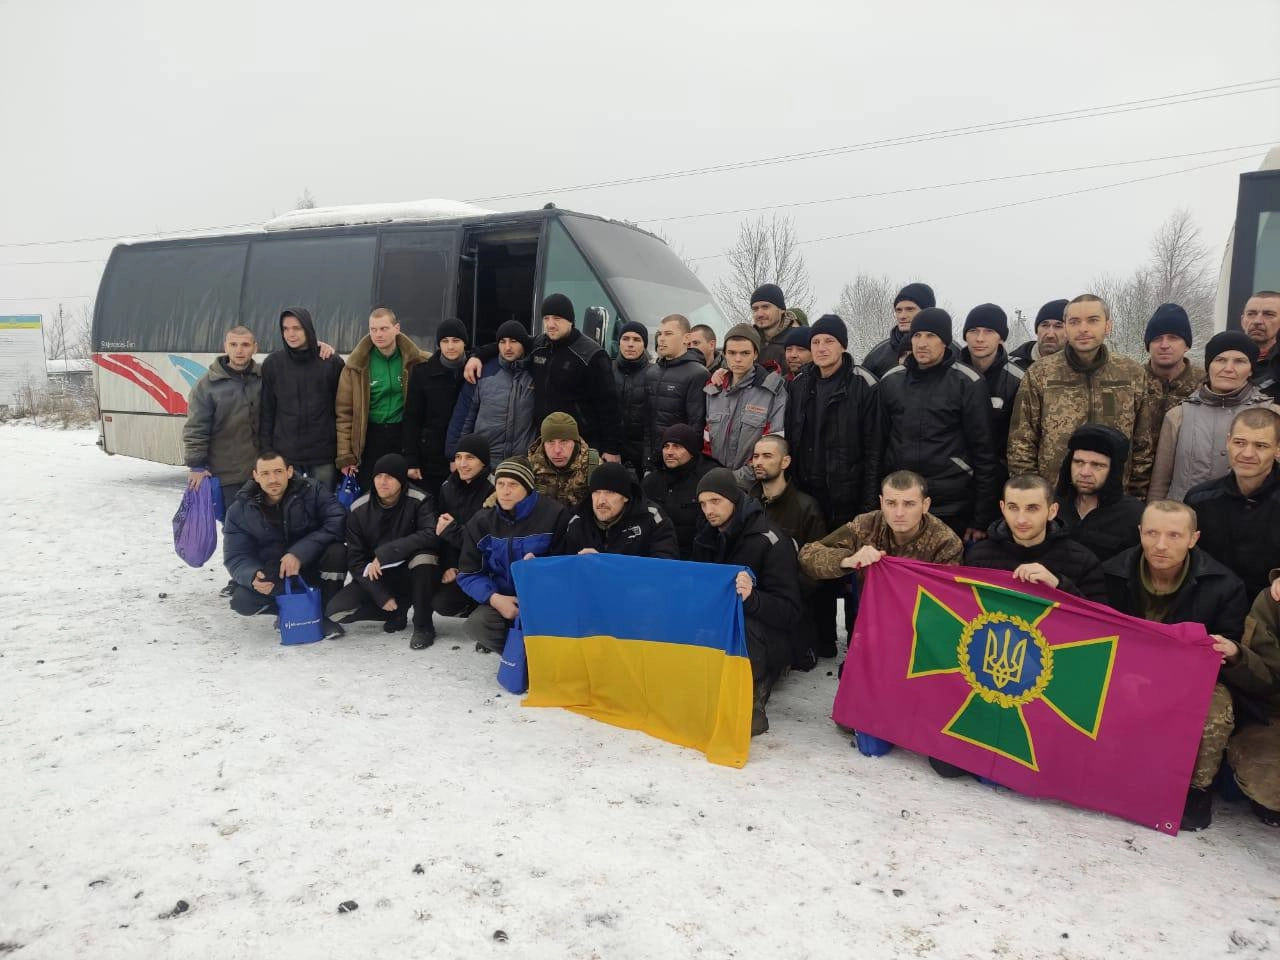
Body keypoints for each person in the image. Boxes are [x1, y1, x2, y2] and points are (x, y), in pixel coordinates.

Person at [1101, 500, 1251, 830]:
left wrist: (1229, 650)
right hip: (1127, 668)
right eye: (1152, 533)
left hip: (1189, 678)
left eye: (1173, 535)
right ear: (1140, 532)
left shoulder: (1225, 585)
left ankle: (1196, 790)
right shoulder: (1112, 572)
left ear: (1193, 539)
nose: (1161, 545)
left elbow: (1229, 649)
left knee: (1217, 704)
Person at [1007, 294, 1155, 498]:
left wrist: (1134, 499)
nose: (1083, 329)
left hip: (1113, 499)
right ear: (1066, 328)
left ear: (1108, 326)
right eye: (1074, 322)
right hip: (1055, 498)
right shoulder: (1041, 373)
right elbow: (1021, 443)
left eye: (1093, 320)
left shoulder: (1130, 373)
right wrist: (1034, 498)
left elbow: (1142, 444)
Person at [691, 468, 802, 737]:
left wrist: (753, 598)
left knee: (745, 623)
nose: (708, 510)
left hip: (769, 635)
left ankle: (754, 697)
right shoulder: (706, 536)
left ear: (734, 499)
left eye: (715, 501)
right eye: (703, 503)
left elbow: (790, 612)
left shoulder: (770, 540)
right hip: (720, 628)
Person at [878, 308, 998, 540]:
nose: (922, 343)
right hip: (901, 502)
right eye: (917, 335)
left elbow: (985, 454)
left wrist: (981, 518)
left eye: (931, 336)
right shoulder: (891, 381)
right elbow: (877, 446)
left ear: (945, 341)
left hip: (952, 503)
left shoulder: (969, 382)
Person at [462, 294, 623, 461]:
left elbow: (609, 407)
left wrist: (612, 449)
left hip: (582, 444)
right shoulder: (539, 344)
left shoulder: (591, 354)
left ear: (570, 320)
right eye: (546, 318)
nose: (550, 324)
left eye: (557, 318)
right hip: (545, 444)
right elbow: (510, 342)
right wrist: (477, 356)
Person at [222, 450, 347, 638]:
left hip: (312, 568)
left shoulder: (312, 490)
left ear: (289, 472)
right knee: (241, 602)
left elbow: (338, 520)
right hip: (275, 573)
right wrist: (253, 575)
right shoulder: (239, 509)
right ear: (255, 476)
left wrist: (300, 553)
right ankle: (287, 612)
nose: (273, 479)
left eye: (278, 471)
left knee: (337, 552)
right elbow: (236, 555)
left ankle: (322, 614)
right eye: (265, 473)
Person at [324, 454, 440, 649]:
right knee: (335, 611)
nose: (382, 482)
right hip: (378, 575)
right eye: (378, 476)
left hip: (411, 572)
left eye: (389, 477)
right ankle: (396, 610)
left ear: (402, 480)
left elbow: (431, 534)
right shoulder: (358, 509)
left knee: (425, 558)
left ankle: (423, 625)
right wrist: (380, 595)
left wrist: (386, 553)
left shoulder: (420, 500)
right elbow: (356, 560)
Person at [456, 457, 569, 654]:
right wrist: (494, 598)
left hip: (544, 600)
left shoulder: (554, 514)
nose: (505, 491)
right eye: (500, 484)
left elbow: (569, 565)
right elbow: (468, 573)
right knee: (477, 625)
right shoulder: (481, 522)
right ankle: (517, 655)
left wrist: (543, 570)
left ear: (527, 487)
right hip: (504, 601)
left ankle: (541, 654)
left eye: (513, 485)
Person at [1150, 331, 1278, 500]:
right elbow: (1160, 482)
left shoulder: (1273, 414)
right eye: (1220, 360)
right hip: (1186, 519)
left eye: (1239, 361)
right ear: (1208, 365)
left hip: (1252, 519)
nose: (1228, 369)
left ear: (1250, 370)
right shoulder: (1178, 415)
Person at [786, 314, 881, 526]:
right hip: (805, 495)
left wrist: (868, 507)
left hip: (846, 499)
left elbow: (874, 450)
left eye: (829, 341)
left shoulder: (865, 385)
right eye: (815, 342)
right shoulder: (798, 385)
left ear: (843, 346)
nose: (821, 348)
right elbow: (790, 439)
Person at [1185, 408, 1280, 599]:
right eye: (1239, 442)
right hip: (1211, 607)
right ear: (1228, 441)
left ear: (1278, 449)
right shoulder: (1199, 499)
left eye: (1260, 445)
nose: (1247, 453)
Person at [966, 474, 1107, 602]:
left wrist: (1058, 585)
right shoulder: (978, 556)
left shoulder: (1083, 561)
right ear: (1003, 508)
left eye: (1032, 508)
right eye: (1013, 508)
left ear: (1052, 511)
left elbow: (1101, 623)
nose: (1021, 520)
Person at [749, 434, 827, 664]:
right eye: (755, 456)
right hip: (751, 601)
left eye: (767, 456)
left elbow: (817, 567)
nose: (758, 462)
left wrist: (788, 592)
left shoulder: (806, 507)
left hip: (790, 606)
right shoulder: (746, 502)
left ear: (785, 462)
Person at [798, 471, 964, 577]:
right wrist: (849, 560)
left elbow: (949, 596)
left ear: (925, 505)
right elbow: (807, 556)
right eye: (891, 503)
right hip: (873, 617)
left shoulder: (945, 542)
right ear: (881, 502)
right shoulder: (866, 525)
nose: (899, 513)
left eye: (909, 504)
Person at [336, 307, 427, 493]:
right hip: (370, 437)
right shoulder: (355, 367)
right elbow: (344, 414)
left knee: (405, 492)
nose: (378, 334)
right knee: (372, 493)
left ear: (397, 328)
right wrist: (346, 455)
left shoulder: (418, 361)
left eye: (384, 328)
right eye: (373, 329)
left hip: (404, 435)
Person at [259, 308, 344, 492]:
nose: (291, 334)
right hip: (286, 456)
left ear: (308, 328)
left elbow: (343, 412)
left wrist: (343, 453)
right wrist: (267, 452)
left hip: (323, 456)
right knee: (290, 512)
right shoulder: (273, 364)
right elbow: (267, 412)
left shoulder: (331, 362)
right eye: (286, 328)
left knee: (323, 509)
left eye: (297, 328)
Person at [184, 325, 262, 513]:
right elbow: (196, 428)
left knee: (266, 532)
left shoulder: (265, 377)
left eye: (245, 344)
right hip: (227, 475)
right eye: (233, 344)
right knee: (235, 531)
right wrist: (197, 465)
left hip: (262, 474)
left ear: (255, 347)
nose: (239, 350)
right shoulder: (207, 385)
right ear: (225, 347)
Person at [1225, 580, 1280, 827]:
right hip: (1273, 716)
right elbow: (1266, 677)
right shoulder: (1272, 600)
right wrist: (1237, 657)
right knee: (1265, 779)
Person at [704, 324, 788, 485]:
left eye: (745, 353)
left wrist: (733, 480)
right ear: (724, 354)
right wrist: (713, 478)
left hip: (753, 487)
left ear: (755, 354)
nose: (737, 359)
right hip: (715, 486)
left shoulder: (773, 392)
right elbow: (706, 443)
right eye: (732, 353)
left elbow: (772, 448)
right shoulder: (713, 390)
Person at [1055, 424, 1144, 562]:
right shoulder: (1052, 506)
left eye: (1097, 465)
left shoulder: (1133, 515)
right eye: (1078, 462)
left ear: (1113, 470)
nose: (1084, 473)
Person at [454, 320, 536, 465]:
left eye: (514, 341)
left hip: (523, 465)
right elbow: (464, 417)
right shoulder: (483, 372)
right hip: (486, 465)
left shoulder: (536, 373)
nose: (508, 347)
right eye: (502, 342)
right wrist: (455, 456)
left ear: (523, 344)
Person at [403, 318, 469, 496]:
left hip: (466, 457)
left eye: (456, 341)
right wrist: (411, 460)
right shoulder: (422, 373)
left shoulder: (475, 370)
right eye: (445, 341)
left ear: (464, 342)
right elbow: (412, 418)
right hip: (429, 458)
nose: (450, 346)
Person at [433, 434, 495, 620]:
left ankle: (486, 614)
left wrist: (451, 531)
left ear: (483, 462)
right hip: (459, 563)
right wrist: (450, 565)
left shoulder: (495, 490)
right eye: (458, 457)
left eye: (470, 457)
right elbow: (441, 534)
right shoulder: (448, 487)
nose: (462, 463)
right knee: (441, 603)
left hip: (486, 567)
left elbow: (485, 541)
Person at [959, 303, 1025, 479]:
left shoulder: (1017, 380)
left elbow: (1020, 439)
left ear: (1001, 337)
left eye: (988, 331)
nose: (979, 338)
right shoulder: (949, 374)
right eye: (973, 331)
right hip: (952, 476)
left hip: (995, 476)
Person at [562, 462, 679, 558]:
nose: (601, 500)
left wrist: (607, 564)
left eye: (610, 492)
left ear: (625, 497)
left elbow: (664, 565)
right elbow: (565, 574)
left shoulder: (652, 518)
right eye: (596, 492)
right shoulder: (577, 522)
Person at [641, 423, 719, 560]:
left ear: (691, 451)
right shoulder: (651, 482)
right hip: (658, 559)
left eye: (677, 446)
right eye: (666, 446)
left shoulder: (709, 479)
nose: (669, 452)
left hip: (698, 560)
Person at [645, 313, 708, 466]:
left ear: (686, 338)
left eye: (668, 334)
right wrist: (646, 459)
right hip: (653, 459)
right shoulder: (652, 372)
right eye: (660, 334)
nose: (661, 338)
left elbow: (696, 426)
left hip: (681, 463)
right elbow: (647, 424)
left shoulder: (698, 374)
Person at [1143, 303, 1203, 445]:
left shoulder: (1205, 384)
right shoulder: (1134, 381)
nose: (1164, 345)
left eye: (1173, 338)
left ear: (1187, 345)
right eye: (1157, 338)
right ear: (1148, 345)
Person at [863, 282, 937, 378]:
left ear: (927, 311)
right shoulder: (878, 355)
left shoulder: (950, 351)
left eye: (910, 309)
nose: (902, 316)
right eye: (898, 310)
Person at [528, 412, 598, 507]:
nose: (557, 450)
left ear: (575, 442)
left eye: (564, 441)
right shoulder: (530, 466)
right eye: (550, 442)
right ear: (543, 444)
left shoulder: (593, 465)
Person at [612, 320, 652, 477]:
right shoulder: (606, 369)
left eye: (636, 340)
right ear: (619, 341)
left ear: (644, 344)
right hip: (611, 449)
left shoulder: (654, 374)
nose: (630, 344)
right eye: (625, 339)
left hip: (641, 451)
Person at [748, 283, 801, 371]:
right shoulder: (749, 339)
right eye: (755, 309)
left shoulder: (799, 339)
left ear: (781, 310)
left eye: (765, 307)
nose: (759, 314)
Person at [1243, 291, 1280, 400]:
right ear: (1242, 320)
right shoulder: (1220, 362)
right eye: (1251, 314)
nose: (1257, 321)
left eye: (1268, 314)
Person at [1009, 299, 1067, 366]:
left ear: (1069, 333)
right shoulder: (1012, 366)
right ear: (1036, 330)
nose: (1050, 335)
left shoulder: (1079, 368)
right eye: (1045, 325)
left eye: (1058, 326)